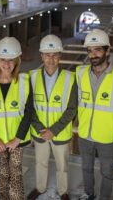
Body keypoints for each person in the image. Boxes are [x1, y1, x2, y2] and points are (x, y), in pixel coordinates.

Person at [76, 29, 113, 200]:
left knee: (107, 171)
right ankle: (89, 193)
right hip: (84, 133)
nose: (93, 55)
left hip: (107, 135)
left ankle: (104, 197)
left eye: (98, 50)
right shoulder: (80, 72)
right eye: (90, 50)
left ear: (107, 51)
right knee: (86, 167)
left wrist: (109, 122)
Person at [0, 37, 32, 200]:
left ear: (17, 61)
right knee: (3, 169)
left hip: (18, 139)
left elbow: (29, 112)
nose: (7, 64)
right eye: (3, 59)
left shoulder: (24, 82)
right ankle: (3, 197)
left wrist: (17, 139)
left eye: (11, 60)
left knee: (15, 171)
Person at [27, 34, 77, 200]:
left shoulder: (70, 79)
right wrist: (42, 129)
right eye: (47, 55)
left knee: (62, 166)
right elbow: (29, 107)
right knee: (40, 163)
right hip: (40, 132)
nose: (51, 59)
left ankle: (63, 192)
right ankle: (40, 188)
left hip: (60, 133)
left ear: (60, 56)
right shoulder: (32, 77)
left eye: (55, 54)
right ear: (41, 56)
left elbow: (71, 109)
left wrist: (53, 130)